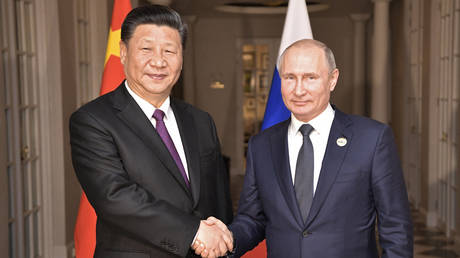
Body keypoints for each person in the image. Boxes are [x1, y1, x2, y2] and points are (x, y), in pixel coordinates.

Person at [70, 5, 233, 258]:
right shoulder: (93, 120)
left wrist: (222, 244)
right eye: (146, 49)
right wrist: (193, 232)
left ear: (181, 57)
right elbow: (115, 197)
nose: (158, 61)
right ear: (123, 53)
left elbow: (218, 199)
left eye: (170, 51)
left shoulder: (201, 121)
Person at [226, 39, 413, 257]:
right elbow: (253, 219)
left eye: (310, 78)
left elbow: (396, 229)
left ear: (332, 80)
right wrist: (227, 239)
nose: (298, 90)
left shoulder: (372, 139)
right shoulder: (261, 146)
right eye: (289, 78)